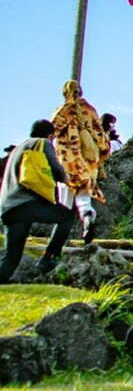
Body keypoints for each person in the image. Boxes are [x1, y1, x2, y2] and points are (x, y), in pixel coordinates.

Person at [0, 120, 75, 282]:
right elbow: (56, 169)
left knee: (11, 259)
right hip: (26, 203)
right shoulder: (42, 143)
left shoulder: (18, 148)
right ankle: (48, 258)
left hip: (8, 208)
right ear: (50, 135)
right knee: (67, 216)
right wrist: (70, 180)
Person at [50, 80, 111, 243]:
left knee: (65, 203)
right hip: (88, 163)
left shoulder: (63, 111)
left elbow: (51, 131)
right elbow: (101, 137)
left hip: (68, 162)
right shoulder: (90, 111)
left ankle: (58, 241)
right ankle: (87, 217)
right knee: (84, 199)